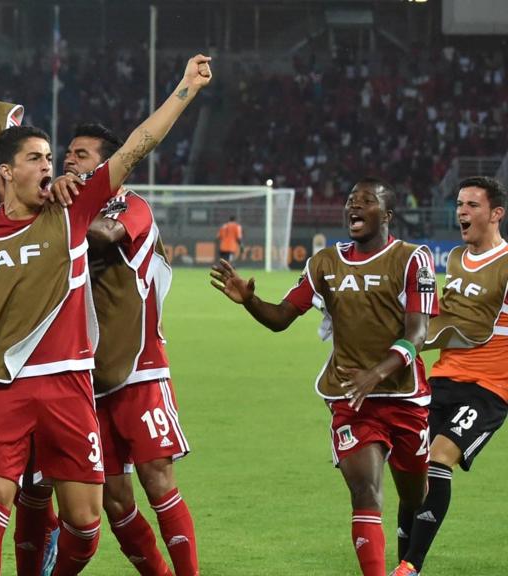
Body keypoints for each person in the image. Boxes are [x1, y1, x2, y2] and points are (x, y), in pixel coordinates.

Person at [0, 54, 212, 576]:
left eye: (51, 157)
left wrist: (185, 87)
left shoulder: (70, 214)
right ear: (6, 173)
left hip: (71, 388)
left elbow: (139, 144)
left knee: (86, 523)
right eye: (36, 158)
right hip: (6, 387)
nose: (50, 165)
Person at [210, 178, 438, 576]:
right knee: (365, 492)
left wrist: (377, 373)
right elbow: (281, 318)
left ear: (386, 215)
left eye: (365, 201)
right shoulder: (325, 262)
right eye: (350, 201)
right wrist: (250, 301)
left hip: (404, 398)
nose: (353, 207)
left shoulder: (412, 259)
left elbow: (417, 333)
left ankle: (409, 546)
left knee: (416, 497)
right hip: (350, 397)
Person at [67, 123, 198, 576]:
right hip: (86, 375)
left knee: (158, 483)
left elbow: (103, 235)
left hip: (142, 371)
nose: (69, 160)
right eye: (68, 153)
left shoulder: (131, 204)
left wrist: (57, 220)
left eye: (81, 155)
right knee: (113, 498)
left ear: (107, 165)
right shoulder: (68, 208)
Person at [391, 176, 508, 576]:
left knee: (439, 459)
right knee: (412, 467)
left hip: (488, 389)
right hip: (441, 379)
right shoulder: (456, 257)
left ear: (496, 214)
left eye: (473, 205)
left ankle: (411, 565)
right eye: (459, 204)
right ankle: (400, 561)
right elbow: (444, 320)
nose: (462, 211)